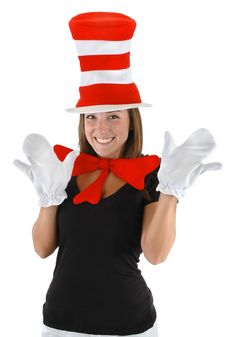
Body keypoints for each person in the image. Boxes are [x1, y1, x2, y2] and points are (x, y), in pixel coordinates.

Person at [13, 12, 222, 337]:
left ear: (131, 120)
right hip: (59, 324)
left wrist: (171, 191)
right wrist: (47, 199)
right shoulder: (63, 169)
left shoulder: (154, 173)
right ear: (82, 123)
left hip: (129, 325)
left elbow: (156, 254)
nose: (101, 128)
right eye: (91, 117)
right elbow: (42, 249)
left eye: (113, 116)